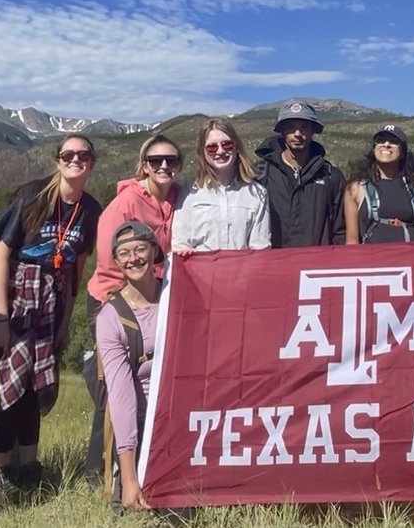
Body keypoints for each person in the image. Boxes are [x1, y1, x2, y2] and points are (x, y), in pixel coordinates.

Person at [0, 134, 102, 507]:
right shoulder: (34, 197)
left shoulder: (89, 209)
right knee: (11, 387)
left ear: (91, 162)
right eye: (68, 154)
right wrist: (0, 317)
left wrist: (63, 324)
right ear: (57, 160)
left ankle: (30, 471)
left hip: (52, 299)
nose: (76, 160)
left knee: (38, 385)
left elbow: (76, 268)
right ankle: (1, 475)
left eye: (83, 155)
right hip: (14, 293)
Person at [83, 133, 182, 482]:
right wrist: (124, 310)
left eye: (171, 160)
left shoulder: (177, 199)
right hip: (115, 300)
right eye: (156, 161)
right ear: (144, 165)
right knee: (111, 387)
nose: (164, 166)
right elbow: (112, 264)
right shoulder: (124, 203)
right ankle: (100, 470)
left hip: (155, 298)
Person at [97, 221, 163, 511]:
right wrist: (129, 476)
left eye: (140, 249)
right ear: (116, 260)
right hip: (140, 413)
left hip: (179, 412)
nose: (133, 258)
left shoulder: (178, 295)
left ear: (154, 251)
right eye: (124, 253)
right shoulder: (111, 317)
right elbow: (122, 398)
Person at [255, 99, 346, 247]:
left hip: (316, 265)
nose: (297, 133)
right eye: (290, 127)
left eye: (304, 127)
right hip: (273, 265)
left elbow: (341, 230)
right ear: (282, 131)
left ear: (313, 131)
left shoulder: (331, 176)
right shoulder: (260, 174)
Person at [173, 118, 270, 251]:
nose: (220, 151)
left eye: (227, 144)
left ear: (236, 147)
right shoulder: (189, 193)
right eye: (212, 147)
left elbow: (260, 247)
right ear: (203, 152)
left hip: (242, 270)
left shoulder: (257, 193)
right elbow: (180, 243)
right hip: (200, 271)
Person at [344, 124, 414, 244]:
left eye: (393, 142)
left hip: (413, 258)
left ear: (403, 152)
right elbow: (351, 242)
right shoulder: (356, 188)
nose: (386, 145)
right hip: (375, 260)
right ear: (374, 148)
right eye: (380, 140)